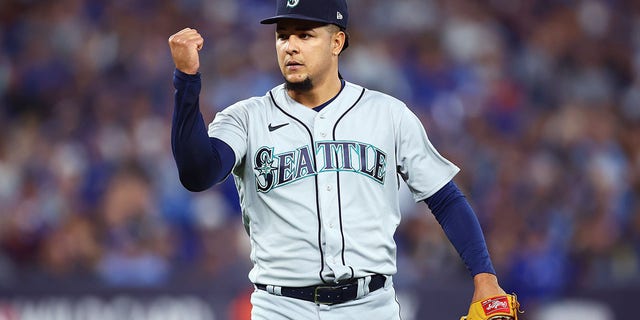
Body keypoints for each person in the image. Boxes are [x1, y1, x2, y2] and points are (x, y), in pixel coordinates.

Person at [168, 0, 514, 318]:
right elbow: (198, 175)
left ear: (337, 42)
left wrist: (484, 277)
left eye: (305, 34)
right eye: (283, 35)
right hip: (282, 308)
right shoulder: (246, 118)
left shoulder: (388, 115)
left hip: (370, 306)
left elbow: (446, 198)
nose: (291, 45)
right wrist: (187, 80)